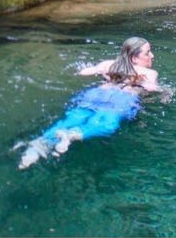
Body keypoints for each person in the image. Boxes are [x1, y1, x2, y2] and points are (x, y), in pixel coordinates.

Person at [17, 37, 162, 169]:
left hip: (96, 94)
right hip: (122, 99)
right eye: (148, 53)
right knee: (107, 125)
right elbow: (152, 88)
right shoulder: (150, 73)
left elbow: (83, 72)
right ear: (134, 58)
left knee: (73, 118)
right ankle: (72, 136)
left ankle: (38, 145)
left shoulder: (109, 64)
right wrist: (166, 93)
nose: (152, 56)